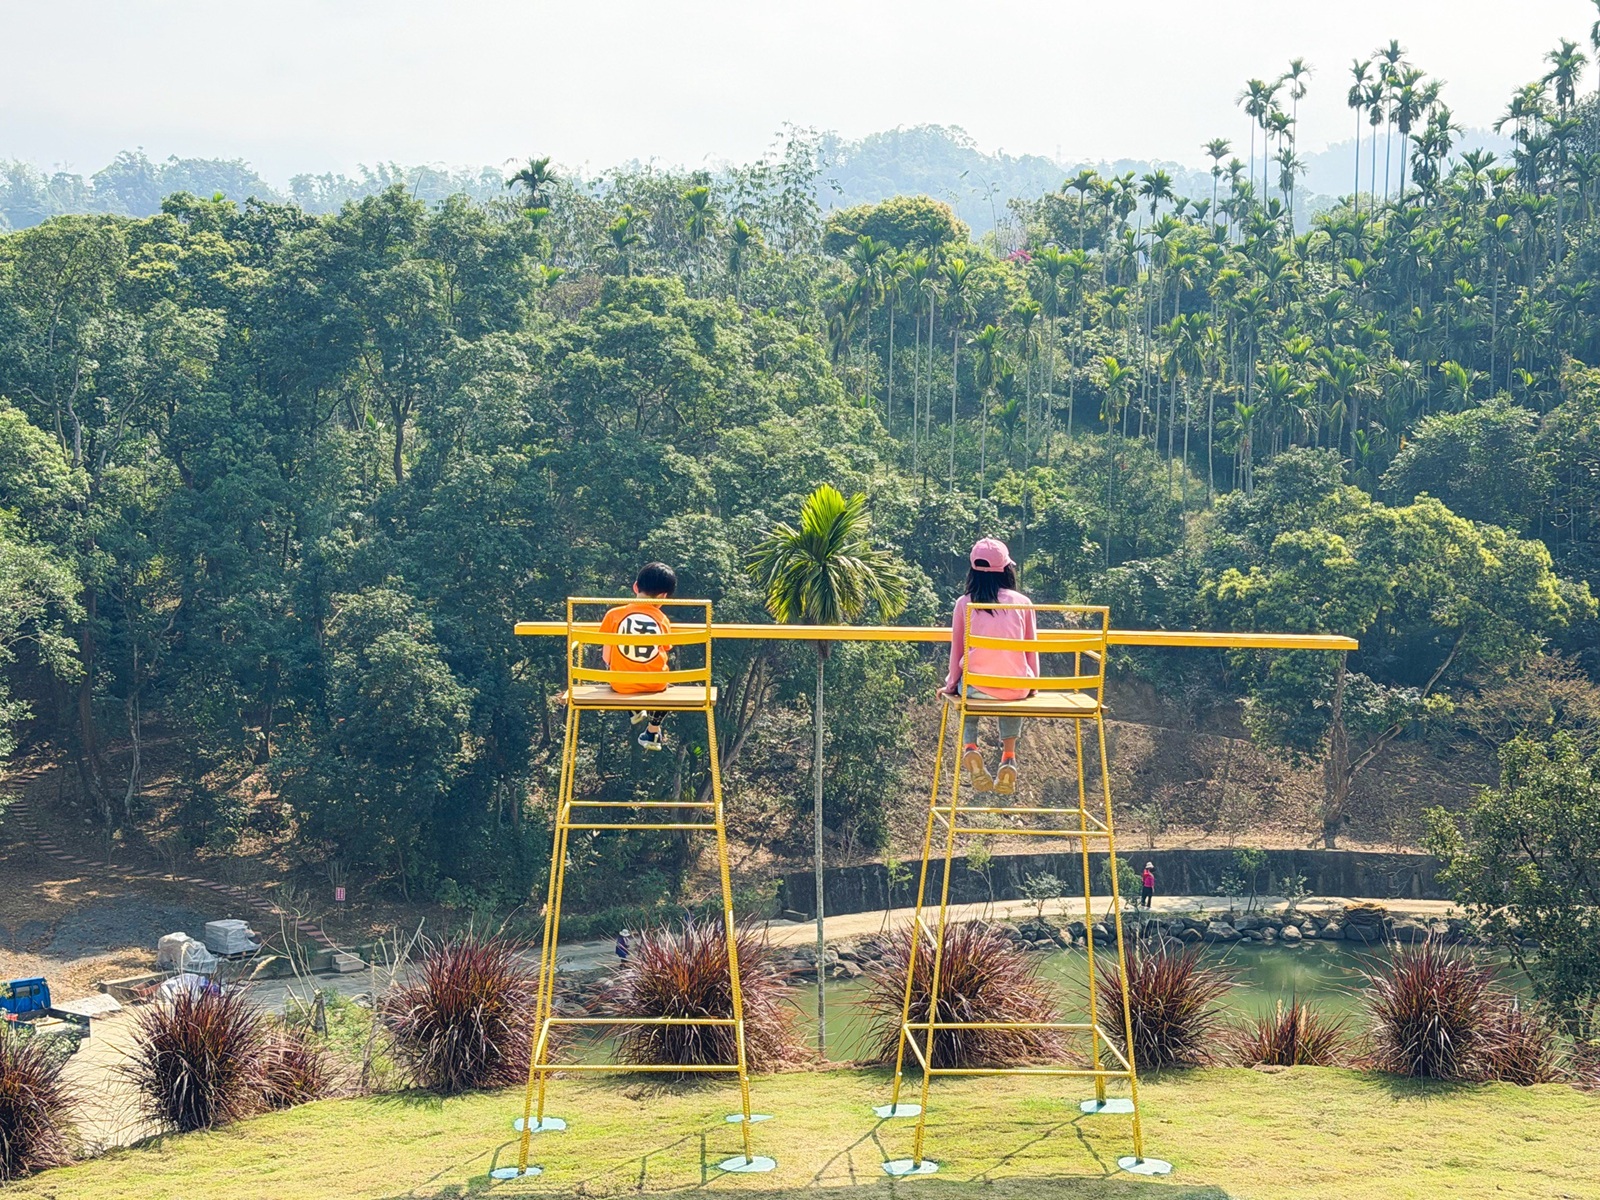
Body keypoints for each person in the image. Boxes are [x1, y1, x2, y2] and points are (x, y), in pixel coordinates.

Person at [942, 537, 1037, 795]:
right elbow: (1031, 648)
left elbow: (958, 650)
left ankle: (971, 747)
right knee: (1011, 690)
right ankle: (1008, 757)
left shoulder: (964, 604)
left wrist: (951, 685)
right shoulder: (1023, 602)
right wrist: (1032, 685)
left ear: (972, 571)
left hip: (976, 688)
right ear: (1006, 569)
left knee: (966, 690)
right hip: (1015, 688)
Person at [600, 562, 678, 750]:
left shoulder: (613, 614)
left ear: (635, 587)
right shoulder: (662, 619)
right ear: (663, 596)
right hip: (655, 685)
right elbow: (665, 648)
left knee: (619, 667)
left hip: (621, 684)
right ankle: (653, 731)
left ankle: (634, 709)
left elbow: (606, 655)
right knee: (666, 686)